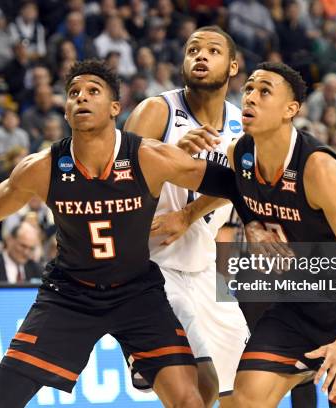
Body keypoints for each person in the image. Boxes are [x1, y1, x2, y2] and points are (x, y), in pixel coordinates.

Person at [0, 59, 241, 408]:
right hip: (70, 294)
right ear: (66, 110)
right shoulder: (44, 166)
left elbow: (232, 182)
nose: (81, 98)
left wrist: (255, 214)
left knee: (190, 400)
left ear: (115, 107)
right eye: (73, 93)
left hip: (138, 293)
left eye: (92, 91)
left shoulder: (148, 157)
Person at [201, 62, 336, 407]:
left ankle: (322, 363)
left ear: (291, 110)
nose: (251, 97)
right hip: (297, 302)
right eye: (248, 89)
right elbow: (231, 187)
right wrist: (195, 216)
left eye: (264, 91)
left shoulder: (318, 169)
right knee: (242, 398)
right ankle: (304, 367)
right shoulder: (240, 153)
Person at [124, 25, 250, 406]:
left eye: (212, 50)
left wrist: (189, 215)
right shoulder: (156, 111)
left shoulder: (242, 125)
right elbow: (117, 183)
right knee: (200, 384)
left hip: (204, 266)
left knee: (245, 386)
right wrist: (170, 157)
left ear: (232, 66)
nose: (200, 56)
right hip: (150, 263)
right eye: (193, 49)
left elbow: (241, 181)